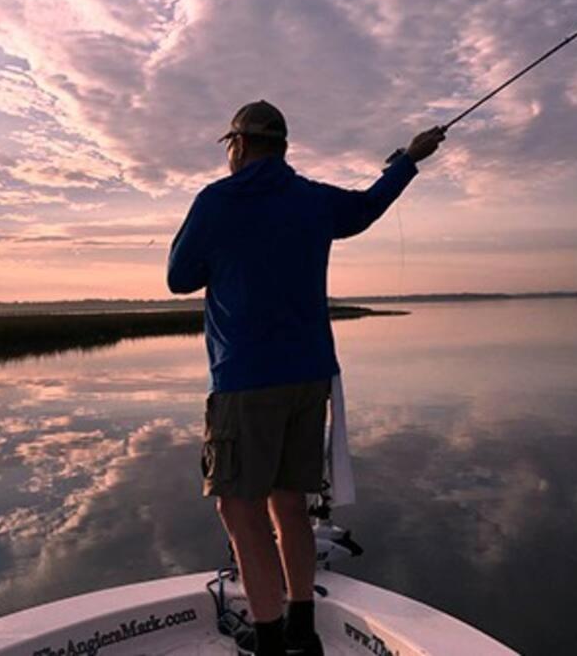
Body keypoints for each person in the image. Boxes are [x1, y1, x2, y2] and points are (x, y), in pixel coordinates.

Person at [166, 100, 445, 656]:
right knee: (289, 501)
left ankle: (268, 640)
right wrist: (408, 160)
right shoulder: (312, 200)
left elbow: (179, 277)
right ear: (284, 147)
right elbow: (367, 208)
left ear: (238, 146)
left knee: (239, 508)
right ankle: (301, 628)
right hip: (310, 377)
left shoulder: (217, 201)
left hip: (245, 379)